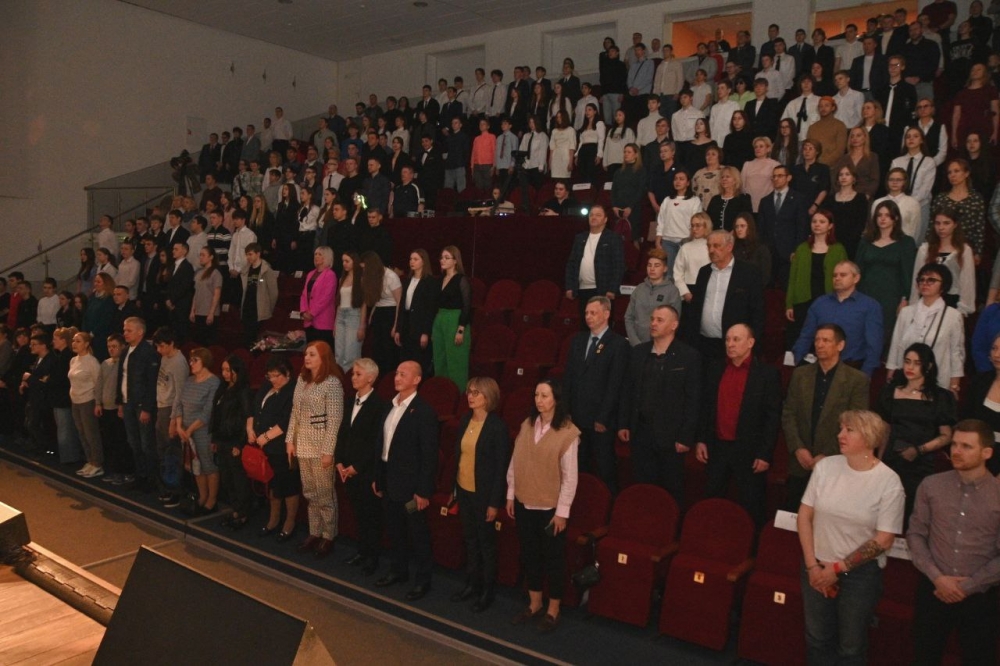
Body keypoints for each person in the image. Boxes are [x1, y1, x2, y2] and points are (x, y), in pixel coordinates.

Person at [797, 409, 904, 665]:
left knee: (851, 645)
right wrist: (812, 565)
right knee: (816, 637)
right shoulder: (825, 467)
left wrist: (837, 568)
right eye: (841, 429)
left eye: (849, 430)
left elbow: (884, 540)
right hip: (816, 564)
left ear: (869, 437)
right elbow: (804, 515)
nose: (840, 435)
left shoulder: (888, 482)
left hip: (859, 575)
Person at [907, 418, 1000, 666]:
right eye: (955, 444)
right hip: (933, 589)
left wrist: (968, 586)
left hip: (981, 597)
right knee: (924, 658)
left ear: (987, 452)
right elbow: (916, 534)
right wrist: (938, 578)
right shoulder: (931, 485)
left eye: (967, 446)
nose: (957, 451)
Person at [506, 379, 580, 632]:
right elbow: (515, 461)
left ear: (556, 399)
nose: (539, 400)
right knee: (530, 555)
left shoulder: (568, 432)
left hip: (550, 509)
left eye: (545, 395)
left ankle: (553, 609)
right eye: (536, 395)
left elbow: (570, 478)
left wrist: (562, 513)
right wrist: (511, 494)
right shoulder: (527, 424)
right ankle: (535, 603)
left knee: (553, 559)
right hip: (524, 502)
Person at [696, 323, 782, 527]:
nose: (730, 344)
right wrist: (701, 439)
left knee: (752, 504)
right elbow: (706, 407)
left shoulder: (767, 374)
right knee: (711, 499)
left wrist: (765, 454)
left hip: (749, 451)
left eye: (736, 339)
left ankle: (752, 544)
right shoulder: (715, 368)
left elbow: (772, 418)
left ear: (750, 342)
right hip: (717, 447)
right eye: (727, 339)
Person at [618, 305, 701, 504]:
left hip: (671, 436)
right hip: (641, 432)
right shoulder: (639, 352)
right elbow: (628, 391)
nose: (653, 323)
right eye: (652, 319)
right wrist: (624, 423)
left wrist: (686, 436)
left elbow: (694, 400)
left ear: (674, 325)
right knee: (642, 486)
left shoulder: (689, 356)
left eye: (660, 320)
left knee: (671, 488)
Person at [783, 324, 871, 509]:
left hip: (836, 462)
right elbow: (789, 414)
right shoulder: (800, 374)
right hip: (801, 461)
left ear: (840, 345)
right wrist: (798, 448)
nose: (819, 344)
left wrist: (828, 455)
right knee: (793, 513)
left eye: (826, 340)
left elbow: (856, 424)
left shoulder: (856, 380)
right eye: (817, 340)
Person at [374, 361, 439, 601]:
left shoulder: (423, 411)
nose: (397, 377)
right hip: (389, 481)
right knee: (395, 530)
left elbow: (429, 455)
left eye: (403, 374)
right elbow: (382, 446)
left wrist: (423, 491)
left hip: (412, 490)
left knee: (417, 533)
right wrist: (378, 478)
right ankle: (398, 571)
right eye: (397, 373)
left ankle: (423, 581)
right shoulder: (389, 406)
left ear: (417, 379)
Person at [878, 341, 957, 522]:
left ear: (928, 366)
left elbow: (947, 435)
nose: (910, 367)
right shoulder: (890, 392)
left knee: (915, 512)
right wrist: (880, 461)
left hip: (923, 462)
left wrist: (919, 450)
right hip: (892, 458)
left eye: (916, 363)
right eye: (907, 361)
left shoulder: (941, 397)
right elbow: (885, 430)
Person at [450, 376, 509, 612]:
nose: (470, 396)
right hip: (464, 489)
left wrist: (494, 503)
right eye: (469, 392)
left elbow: (501, 468)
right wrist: (454, 489)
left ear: (489, 396)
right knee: (470, 540)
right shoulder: (466, 420)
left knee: (486, 544)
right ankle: (472, 584)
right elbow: (459, 457)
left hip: (484, 495)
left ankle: (487, 591)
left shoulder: (497, 427)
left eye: (476, 393)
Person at [562, 296, 629, 492]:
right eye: (586, 313)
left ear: (606, 314)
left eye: (593, 313)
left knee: (604, 467)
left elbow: (615, 385)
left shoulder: (618, 344)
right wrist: (566, 411)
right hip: (577, 417)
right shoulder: (578, 340)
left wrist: (603, 417)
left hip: (601, 420)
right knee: (578, 466)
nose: (588, 317)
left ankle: (609, 502)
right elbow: (568, 378)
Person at [286, 341, 344, 558]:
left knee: (325, 494)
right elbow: (295, 412)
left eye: (312, 354)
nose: (307, 358)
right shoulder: (302, 380)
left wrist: (328, 451)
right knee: (310, 493)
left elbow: (335, 421)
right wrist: (290, 440)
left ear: (323, 358)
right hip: (302, 445)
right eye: (306, 354)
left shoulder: (332, 383)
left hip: (321, 448)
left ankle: (328, 535)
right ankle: (314, 532)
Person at [791, 261, 884, 376]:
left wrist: (865, 375)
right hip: (820, 367)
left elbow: (874, 344)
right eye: (834, 275)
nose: (837, 278)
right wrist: (799, 364)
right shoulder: (820, 303)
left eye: (843, 275)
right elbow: (806, 336)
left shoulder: (870, 306)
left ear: (856, 278)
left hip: (852, 368)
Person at [249, 355, 299, 540]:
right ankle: (273, 519)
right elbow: (255, 408)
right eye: (269, 375)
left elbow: (288, 420)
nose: (273, 379)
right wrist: (250, 429)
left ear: (287, 374)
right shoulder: (267, 386)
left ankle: (289, 523)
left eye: (277, 375)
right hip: (265, 446)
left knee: (288, 484)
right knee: (273, 484)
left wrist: (267, 436)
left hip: (283, 445)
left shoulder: (293, 390)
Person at [786, 210, 849, 348]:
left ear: (830, 226)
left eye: (822, 222)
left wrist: (843, 300)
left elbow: (846, 278)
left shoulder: (838, 249)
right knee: (803, 337)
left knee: (825, 338)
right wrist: (789, 304)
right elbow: (792, 279)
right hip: (803, 300)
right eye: (814, 221)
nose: (817, 224)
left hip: (829, 300)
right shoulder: (802, 249)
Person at [856, 200, 918, 340]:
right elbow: (858, 270)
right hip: (867, 293)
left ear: (895, 218)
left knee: (887, 335)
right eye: (879, 215)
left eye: (887, 215)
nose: (882, 219)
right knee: (864, 333)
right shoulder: (866, 240)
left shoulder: (906, 242)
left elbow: (908, 273)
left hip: (892, 296)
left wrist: (905, 299)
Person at [174, 347, 221, 513]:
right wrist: (179, 425)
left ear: (205, 361)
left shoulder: (213, 382)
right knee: (196, 466)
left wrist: (190, 429)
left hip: (203, 431)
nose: (191, 363)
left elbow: (207, 412)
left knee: (208, 465)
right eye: (190, 360)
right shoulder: (189, 381)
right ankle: (202, 496)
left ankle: (212, 500)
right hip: (186, 431)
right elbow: (179, 404)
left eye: (195, 360)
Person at [117, 317, 161, 493]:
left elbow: (151, 382)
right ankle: (140, 476)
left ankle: (151, 479)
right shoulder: (126, 351)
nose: (125, 333)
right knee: (133, 442)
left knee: (146, 444)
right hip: (128, 402)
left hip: (141, 405)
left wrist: (147, 408)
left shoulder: (148, 353)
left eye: (129, 330)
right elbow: (121, 378)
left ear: (140, 332)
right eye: (124, 330)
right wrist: (120, 402)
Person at [212, 354, 253, 530]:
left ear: (237, 371)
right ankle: (235, 508)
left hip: (235, 440)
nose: (225, 374)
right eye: (223, 370)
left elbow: (247, 419)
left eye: (228, 370)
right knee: (227, 478)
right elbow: (216, 415)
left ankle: (243, 512)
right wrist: (214, 438)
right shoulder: (223, 388)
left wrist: (240, 444)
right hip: (222, 439)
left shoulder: (243, 391)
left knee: (238, 479)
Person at [564, 205, 625, 324]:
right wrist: (570, 286)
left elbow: (619, 265)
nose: (593, 217)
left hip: (603, 290)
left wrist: (612, 289)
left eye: (598, 215)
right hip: (582, 290)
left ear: (605, 219)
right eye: (591, 215)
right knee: (585, 324)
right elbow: (571, 264)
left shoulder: (613, 238)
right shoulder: (580, 238)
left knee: (602, 324)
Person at [911, 209, 976, 316]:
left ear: (955, 225)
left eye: (946, 223)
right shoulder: (925, 249)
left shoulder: (964, 250)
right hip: (927, 300)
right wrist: (914, 304)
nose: (941, 227)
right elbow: (917, 278)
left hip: (952, 300)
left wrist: (963, 309)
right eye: (938, 223)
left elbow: (967, 281)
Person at [757, 164, 811, 288]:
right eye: (774, 176)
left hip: (789, 252)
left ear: (789, 178)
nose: (776, 179)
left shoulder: (799, 199)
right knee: (768, 288)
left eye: (780, 176)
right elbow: (761, 228)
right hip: (769, 252)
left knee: (787, 286)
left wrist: (796, 250)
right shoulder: (765, 201)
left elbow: (802, 227)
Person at [432, 246, 471, 389]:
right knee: (440, 357)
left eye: (446, 257)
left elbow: (467, 306)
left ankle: (458, 392)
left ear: (455, 261)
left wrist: (461, 329)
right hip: (440, 319)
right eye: (441, 257)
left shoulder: (461, 279)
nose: (442, 260)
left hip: (455, 320)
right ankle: (442, 391)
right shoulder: (440, 279)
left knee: (455, 360)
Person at [624, 248, 681, 346]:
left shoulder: (672, 291)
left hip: (660, 346)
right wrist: (635, 343)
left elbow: (674, 323)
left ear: (665, 268)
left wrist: (660, 344)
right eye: (649, 265)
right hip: (636, 344)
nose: (652, 269)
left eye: (657, 265)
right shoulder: (639, 289)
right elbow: (628, 317)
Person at [394, 249, 438, 378]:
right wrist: (398, 329)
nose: (412, 262)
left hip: (420, 325)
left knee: (419, 360)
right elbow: (402, 305)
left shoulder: (430, 281)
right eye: (410, 259)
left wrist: (425, 332)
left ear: (423, 262)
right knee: (405, 357)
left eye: (415, 259)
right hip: (407, 324)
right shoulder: (408, 280)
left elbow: (431, 309)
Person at [935, 159, 988, 261]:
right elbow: (932, 225)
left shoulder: (976, 198)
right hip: (943, 247)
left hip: (966, 247)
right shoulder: (941, 198)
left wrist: (978, 252)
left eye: (956, 171)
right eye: (949, 172)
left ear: (966, 173)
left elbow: (979, 228)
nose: (952, 175)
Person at [892, 127, 937, 243]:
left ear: (922, 140)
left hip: (920, 206)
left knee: (916, 242)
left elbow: (925, 189)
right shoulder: (897, 161)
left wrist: (910, 203)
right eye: (908, 136)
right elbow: (892, 184)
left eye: (915, 136)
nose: (911, 139)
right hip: (898, 206)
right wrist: (902, 203)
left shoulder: (929, 162)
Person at [95, 333, 129, 485]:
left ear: (122, 347)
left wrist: (121, 405)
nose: (111, 349)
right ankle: (113, 470)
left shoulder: (125, 364)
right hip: (106, 407)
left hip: (118, 408)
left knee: (120, 441)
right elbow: (99, 384)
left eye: (114, 346)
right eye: (109, 347)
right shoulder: (105, 363)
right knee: (109, 441)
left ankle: (123, 472)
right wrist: (98, 403)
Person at [361, 251, 401, 380]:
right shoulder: (372, 277)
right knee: (377, 348)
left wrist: (396, 325)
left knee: (388, 349)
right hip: (379, 312)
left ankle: (388, 378)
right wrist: (372, 314)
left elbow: (399, 302)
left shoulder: (391, 276)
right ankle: (378, 378)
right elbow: (375, 300)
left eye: (365, 267)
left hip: (391, 312)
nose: (364, 270)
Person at [68, 331, 103, 478]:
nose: (74, 344)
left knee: (91, 434)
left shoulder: (92, 362)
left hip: (88, 401)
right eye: (73, 341)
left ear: (87, 344)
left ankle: (97, 463)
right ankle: (90, 460)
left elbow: (98, 383)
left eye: (78, 341)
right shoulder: (73, 360)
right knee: (81, 433)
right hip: (75, 401)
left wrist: (98, 403)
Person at [656, 171, 703, 272]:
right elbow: (661, 220)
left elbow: (696, 222)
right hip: (668, 241)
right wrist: (658, 239)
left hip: (686, 240)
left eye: (681, 179)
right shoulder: (667, 200)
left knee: (684, 271)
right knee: (669, 272)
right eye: (675, 179)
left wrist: (693, 239)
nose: (678, 181)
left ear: (688, 183)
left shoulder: (694, 200)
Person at [49, 328, 83, 464]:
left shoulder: (66, 357)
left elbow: (60, 378)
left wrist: (49, 379)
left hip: (63, 398)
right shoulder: (62, 356)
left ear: (63, 340)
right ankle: (68, 456)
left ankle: (69, 458)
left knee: (65, 429)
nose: (53, 342)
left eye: (55, 339)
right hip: (61, 397)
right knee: (64, 428)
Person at [825, 164, 870, 259]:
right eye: (841, 175)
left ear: (854, 178)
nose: (843, 177)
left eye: (847, 174)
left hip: (853, 242)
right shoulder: (830, 199)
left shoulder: (861, 198)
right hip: (832, 241)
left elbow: (861, 222)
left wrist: (853, 239)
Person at [239, 243, 277, 347]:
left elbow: (273, 292)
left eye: (250, 254)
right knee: (246, 337)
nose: (248, 257)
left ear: (258, 254)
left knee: (256, 339)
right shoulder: (246, 269)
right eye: (247, 254)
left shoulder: (266, 270)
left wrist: (268, 308)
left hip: (259, 309)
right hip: (247, 307)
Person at [871, 167, 922, 241]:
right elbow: (873, 226)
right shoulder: (877, 202)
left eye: (898, 180)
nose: (894, 182)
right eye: (891, 179)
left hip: (904, 242)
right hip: (881, 242)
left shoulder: (912, 203)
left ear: (905, 182)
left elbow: (916, 228)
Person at [300, 246, 337, 347]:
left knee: (321, 350)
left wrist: (312, 313)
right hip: (308, 320)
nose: (316, 256)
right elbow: (304, 294)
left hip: (322, 320)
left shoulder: (330, 275)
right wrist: (303, 311)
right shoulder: (310, 274)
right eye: (315, 254)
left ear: (327, 257)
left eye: (320, 254)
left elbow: (326, 298)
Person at [610, 143, 647, 244]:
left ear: (636, 154)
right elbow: (614, 190)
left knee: (633, 239)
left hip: (634, 210)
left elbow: (640, 191)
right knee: (618, 240)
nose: (626, 154)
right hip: (618, 210)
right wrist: (614, 206)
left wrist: (630, 207)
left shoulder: (641, 171)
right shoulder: (618, 172)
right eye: (625, 152)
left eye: (629, 152)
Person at [188, 246, 222, 346]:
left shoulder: (215, 273)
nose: (201, 257)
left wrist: (211, 313)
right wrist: (192, 310)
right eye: (200, 255)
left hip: (208, 312)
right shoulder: (198, 273)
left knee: (208, 342)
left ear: (211, 257)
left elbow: (216, 295)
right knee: (198, 341)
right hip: (199, 311)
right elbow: (196, 293)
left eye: (203, 255)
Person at [705, 166, 753, 232]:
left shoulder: (743, 198)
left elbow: (746, 220)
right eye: (722, 177)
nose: (724, 179)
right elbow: (708, 220)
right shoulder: (715, 199)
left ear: (735, 180)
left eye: (727, 177)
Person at [740, 137, 781, 212]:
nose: (758, 149)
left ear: (768, 149)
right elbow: (742, 185)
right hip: (749, 204)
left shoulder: (775, 165)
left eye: (761, 146)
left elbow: (778, 185)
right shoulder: (747, 164)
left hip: (768, 205)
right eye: (756, 147)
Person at [733, 213, 772, 287]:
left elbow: (765, 277)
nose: (739, 229)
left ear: (750, 227)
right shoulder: (733, 248)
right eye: (736, 227)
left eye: (742, 226)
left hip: (755, 288)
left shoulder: (761, 249)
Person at [548, 110, 576, 180]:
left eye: (560, 117)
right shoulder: (554, 131)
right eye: (557, 117)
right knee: (556, 180)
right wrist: (550, 162)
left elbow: (572, 147)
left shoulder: (570, 130)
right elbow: (552, 147)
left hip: (565, 157)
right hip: (555, 157)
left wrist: (570, 162)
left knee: (565, 180)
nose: (559, 119)